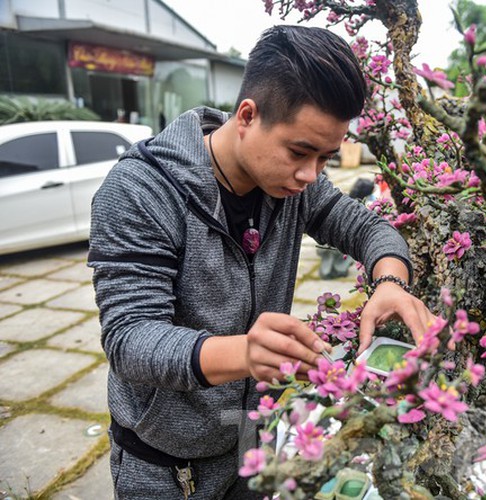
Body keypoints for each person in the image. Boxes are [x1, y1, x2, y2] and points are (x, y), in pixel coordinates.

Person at [88, 25, 432, 499]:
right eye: (300, 151)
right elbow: (130, 339)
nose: (310, 175)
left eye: (327, 158)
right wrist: (244, 353)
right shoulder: (139, 193)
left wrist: (391, 282)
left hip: (253, 440)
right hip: (165, 463)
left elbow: (368, 228)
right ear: (247, 115)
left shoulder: (295, 188)